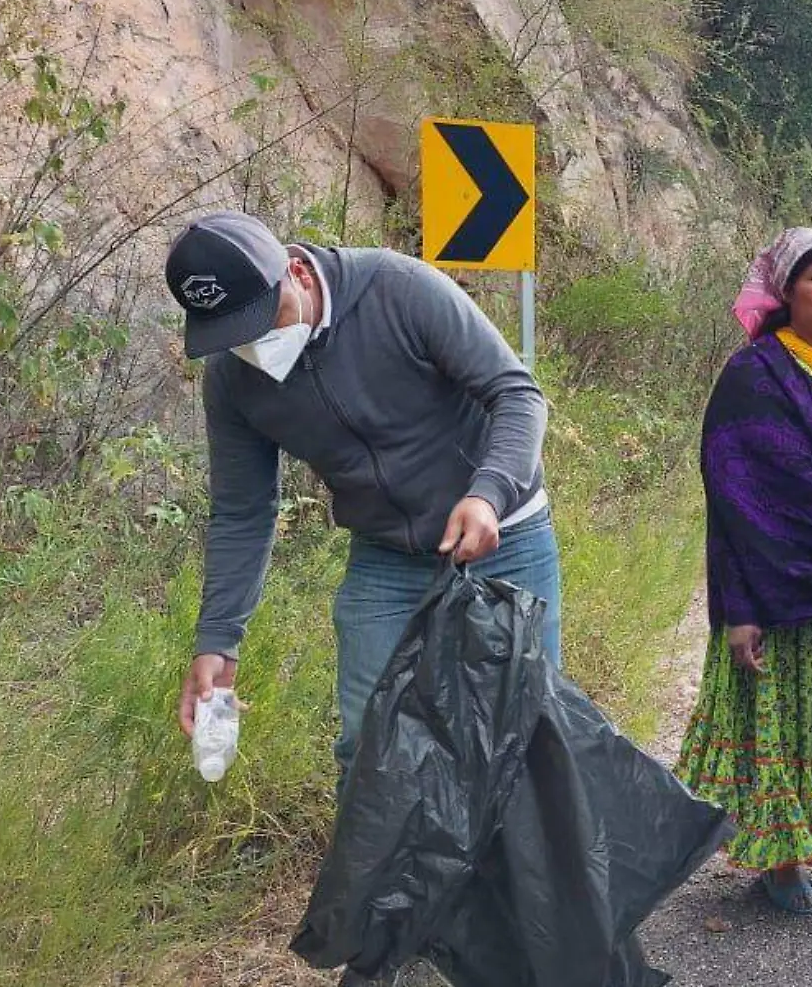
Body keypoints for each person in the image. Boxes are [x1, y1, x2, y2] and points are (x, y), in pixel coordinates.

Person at [162, 210, 558, 787]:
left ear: (296, 272)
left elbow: (516, 394)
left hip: (507, 537)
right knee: (371, 742)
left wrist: (489, 494)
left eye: (261, 319)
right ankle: (395, 880)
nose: (252, 344)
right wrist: (219, 639)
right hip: (387, 559)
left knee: (527, 730)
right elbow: (243, 512)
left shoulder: (397, 289)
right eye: (232, 334)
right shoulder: (231, 380)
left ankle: (534, 878)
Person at [675, 228, 812, 917]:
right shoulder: (757, 375)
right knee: (787, 718)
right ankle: (780, 855)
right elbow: (736, 502)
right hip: (781, 585)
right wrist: (741, 606)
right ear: (784, 289)